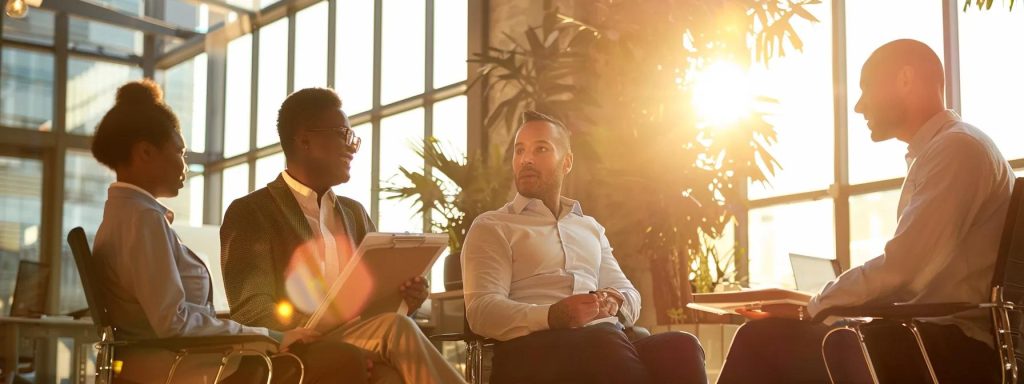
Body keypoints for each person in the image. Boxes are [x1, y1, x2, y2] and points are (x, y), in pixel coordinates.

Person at [718, 39, 1014, 383]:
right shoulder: (948, 149)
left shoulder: (957, 149)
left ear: (905, 79)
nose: (859, 107)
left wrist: (814, 307)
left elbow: (902, 269)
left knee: (761, 341)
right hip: (926, 338)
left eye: (866, 88)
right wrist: (822, 306)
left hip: (944, 348)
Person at [90, 80, 363, 383]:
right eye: (180, 151)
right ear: (145, 153)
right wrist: (270, 335)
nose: (185, 164)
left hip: (179, 361)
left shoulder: (126, 216)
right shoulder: (141, 220)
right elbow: (174, 322)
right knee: (345, 360)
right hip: (184, 368)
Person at [220, 87, 466, 384]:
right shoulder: (251, 212)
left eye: (354, 138)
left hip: (360, 338)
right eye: (343, 135)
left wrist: (406, 301)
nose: (353, 147)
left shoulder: (354, 213)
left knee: (390, 372)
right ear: (305, 140)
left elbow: (375, 299)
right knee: (394, 332)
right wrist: (307, 327)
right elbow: (250, 308)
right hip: (294, 348)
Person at [461, 110, 708, 384]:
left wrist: (615, 301)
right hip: (531, 352)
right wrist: (554, 316)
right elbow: (482, 312)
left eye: (540, 149)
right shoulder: (492, 225)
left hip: (606, 344)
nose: (526, 159)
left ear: (566, 162)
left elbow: (630, 294)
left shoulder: (589, 227)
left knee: (681, 346)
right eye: (520, 151)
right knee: (601, 341)